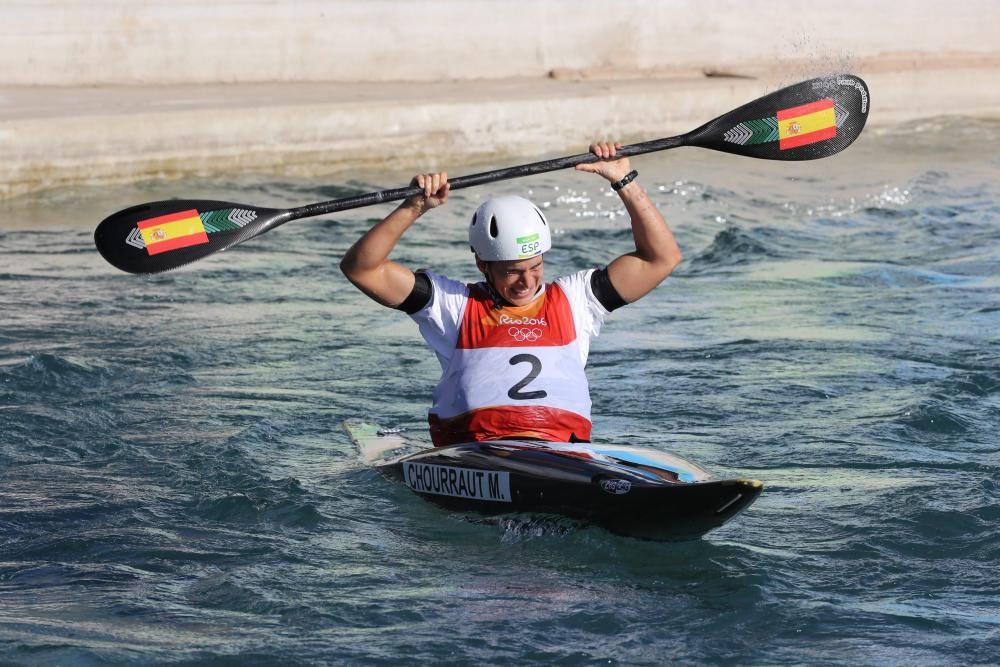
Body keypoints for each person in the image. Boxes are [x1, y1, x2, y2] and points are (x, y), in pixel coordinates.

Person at [340, 141, 682, 446]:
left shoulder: (578, 299)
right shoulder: (453, 305)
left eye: (536, 267)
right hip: (477, 452)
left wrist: (624, 180)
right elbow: (362, 268)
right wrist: (413, 207)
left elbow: (661, 258)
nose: (526, 281)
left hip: (564, 452)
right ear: (481, 263)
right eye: (511, 271)